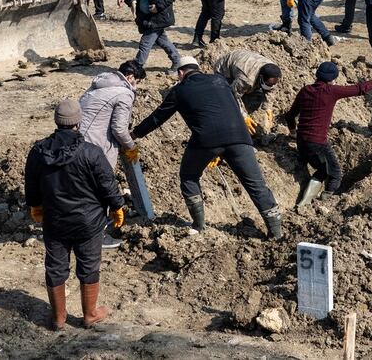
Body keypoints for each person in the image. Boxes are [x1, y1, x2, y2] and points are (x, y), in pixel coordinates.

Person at [132, 57, 282, 238]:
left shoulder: (179, 90)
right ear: (198, 68)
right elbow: (233, 105)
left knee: (188, 176)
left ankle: (199, 225)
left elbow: (157, 118)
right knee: (257, 186)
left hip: (205, 141)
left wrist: (134, 134)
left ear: (180, 73)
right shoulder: (219, 81)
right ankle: (276, 233)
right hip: (239, 138)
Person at [25, 99, 125, 330]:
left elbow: (31, 183)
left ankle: (58, 318)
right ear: (78, 122)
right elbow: (107, 184)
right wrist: (117, 206)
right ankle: (90, 314)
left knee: (55, 266)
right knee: (89, 266)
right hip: (88, 223)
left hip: (55, 221)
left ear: (57, 122)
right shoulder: (91, 152)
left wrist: (35, 206)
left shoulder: (38, 152)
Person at [286, 62, 372, 207]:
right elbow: (361, 89)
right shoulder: (331, 91)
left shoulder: (305, 90)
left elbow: (290, 116)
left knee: (323, 170)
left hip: (301, 142)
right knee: (335, 174)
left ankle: (305, 201)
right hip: (318, 143)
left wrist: (292, 133)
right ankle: (326, 202)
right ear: (332, 79)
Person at [78, 60, 145, 248]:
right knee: (99, 189)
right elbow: (119, 129)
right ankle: (97, 236)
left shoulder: (98, 85)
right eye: (137, 83)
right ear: (131, 78)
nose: (136, 87)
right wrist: (131, 147)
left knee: (80, 188)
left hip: (76, 143)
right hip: (96, 148)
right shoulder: (124, 92)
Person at [213, 49, 281, 135]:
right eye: (268, 84)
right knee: (225, 96)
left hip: (245, 61)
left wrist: (268, 108)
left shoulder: (274, 72)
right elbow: (234, 94)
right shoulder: (246, 79)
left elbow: (271, 89)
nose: (271, 86)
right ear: (261, 77)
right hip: (224, 66)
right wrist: (244, 117)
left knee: (252, 91)